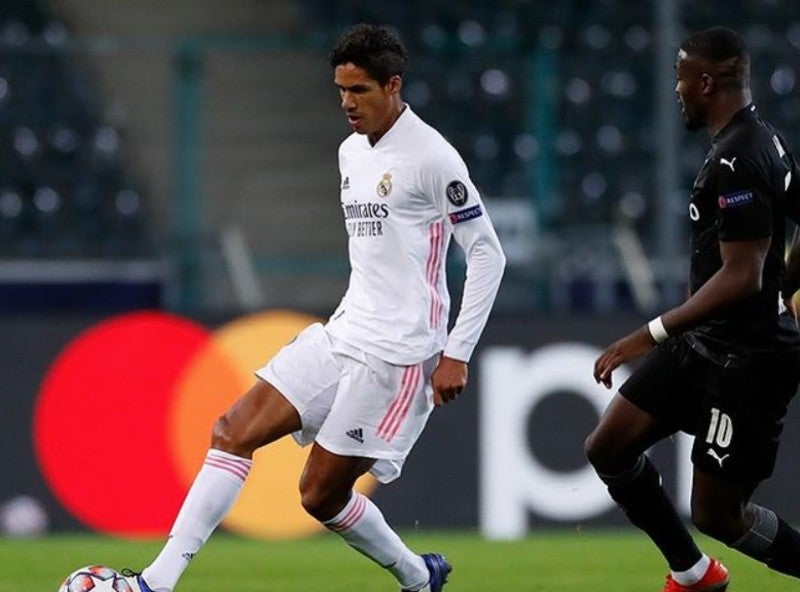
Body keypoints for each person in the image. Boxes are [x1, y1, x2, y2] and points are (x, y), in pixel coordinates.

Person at [121, 23, 506, 592]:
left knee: (318, 494)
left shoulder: (433, 158)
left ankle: (417, 576)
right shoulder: (350, 152)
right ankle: (156, 582)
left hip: (397, 354)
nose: (347, 104)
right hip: (343, 333)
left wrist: (457, 352)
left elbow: (488, 255)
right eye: (341, 91)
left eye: (360, 91)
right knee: (231, 431)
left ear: (393, 85)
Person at [585, 26, 800, 592]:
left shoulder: (741, 158)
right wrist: (783, 287)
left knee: (717, 515)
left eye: (681, 77)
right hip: (707, 345)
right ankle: (694, 573)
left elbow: (741, 274)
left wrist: (647, 334)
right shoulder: (765, 142)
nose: (676, 89)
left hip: (747, 364)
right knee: (608, 446)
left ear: (707, 82)